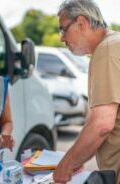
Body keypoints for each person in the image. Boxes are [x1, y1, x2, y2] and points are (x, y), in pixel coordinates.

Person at [53, 0, 120, 183]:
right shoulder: (113, 44)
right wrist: (78, 157)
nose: (62, 38)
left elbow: (101, 124)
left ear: (81, 23)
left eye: (63, 29)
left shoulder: (106, 51)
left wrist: (66, 165)